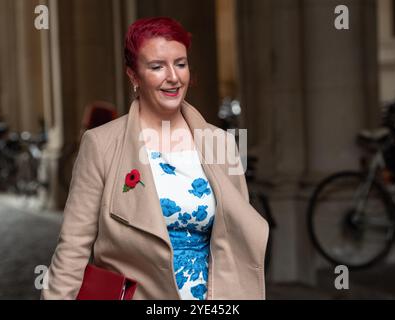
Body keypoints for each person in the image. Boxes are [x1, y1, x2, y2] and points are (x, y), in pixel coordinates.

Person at [41, 16, 269, 300]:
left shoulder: (221, 143)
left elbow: (236, 238)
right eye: (157, 66)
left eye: (180, 64)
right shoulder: (100, 144)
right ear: (134, 75)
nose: (173, 77)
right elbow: (73, 246)